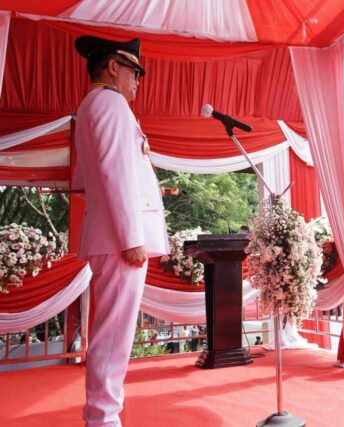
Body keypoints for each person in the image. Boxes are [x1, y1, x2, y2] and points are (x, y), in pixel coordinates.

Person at [73, 35, 170, 426]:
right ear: (114, 66)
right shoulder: (110, 104)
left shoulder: (92, 106)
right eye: (135, 72)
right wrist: (132, 238)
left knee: (111, 332)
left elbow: (85, 178)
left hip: (108, 233)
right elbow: (115, 173)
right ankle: (103, 418)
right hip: (119, 239)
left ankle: (103, 415)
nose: (138, 82)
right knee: (114, 336)